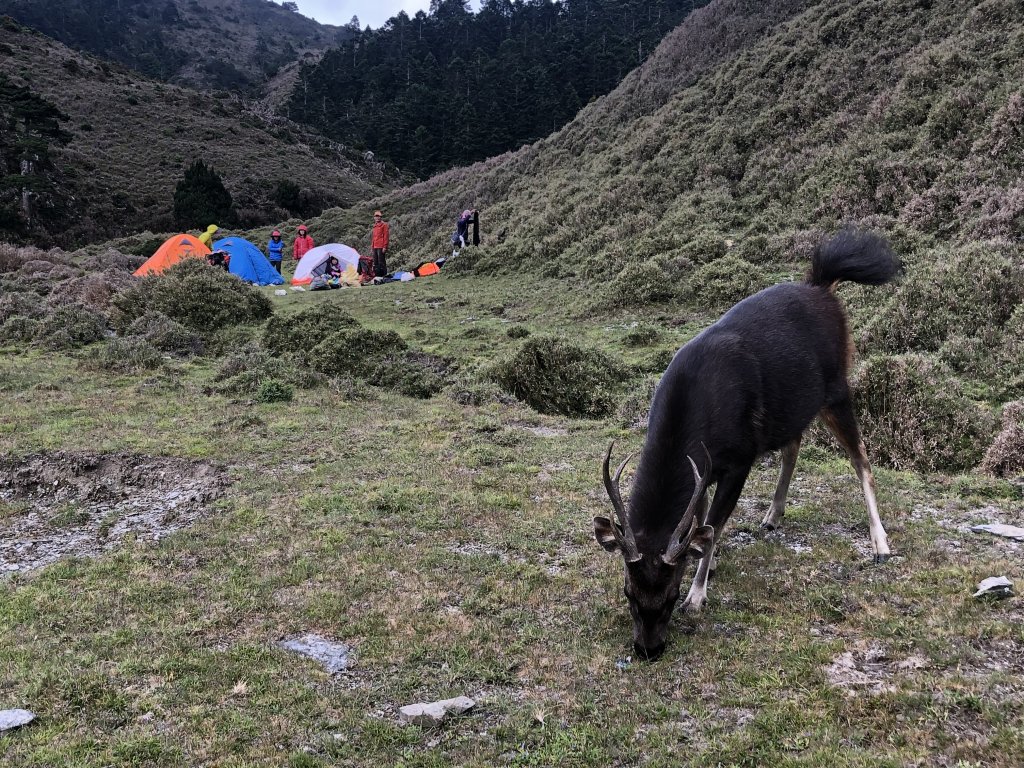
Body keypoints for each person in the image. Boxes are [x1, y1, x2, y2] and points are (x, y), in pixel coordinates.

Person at [370, 209, 390, 279]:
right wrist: (372, 247)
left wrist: (385, 246)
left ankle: (384, 275)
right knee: (375, 262)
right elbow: (373, 237)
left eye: (379, 216)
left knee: (381, 261)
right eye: (376, 216)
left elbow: (386, 236)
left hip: (381, 246)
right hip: (375, 246)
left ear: (381, 217)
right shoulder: (374, 226)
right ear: (374, 217)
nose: (377, 217)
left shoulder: (384, 225)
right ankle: (378, 276)